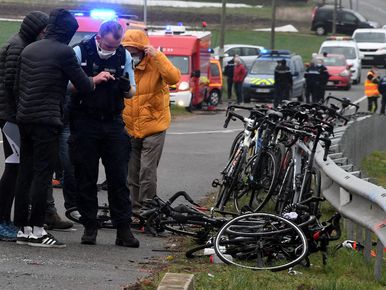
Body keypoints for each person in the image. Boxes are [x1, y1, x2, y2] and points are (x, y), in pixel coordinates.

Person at [14, 8, 111, 248]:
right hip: (47, 120)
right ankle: (38, 230)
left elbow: (16, 84)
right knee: (43, 174)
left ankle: (23, 229)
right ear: (68, 31)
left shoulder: (29, 49)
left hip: (24, 117)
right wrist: (95, 79)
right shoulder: (64, 51)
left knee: (25, 172)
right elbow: (82, 85)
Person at [69, 20, 139, 247]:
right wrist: (92, 80)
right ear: (98, 38)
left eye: (115, 46)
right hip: (85, 121)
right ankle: (90, 226)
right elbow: (65, 84)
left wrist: (124, 86)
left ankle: (123, 229)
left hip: (113, 122)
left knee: (119, 177)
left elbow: (131, 93)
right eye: (108, 46)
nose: (111, 50)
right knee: (86, 176)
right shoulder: (80, 51)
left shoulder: (123, 56)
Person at [0, 11, 49, 241]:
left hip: (12, 115)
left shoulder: (20, 43)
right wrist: (20, 114)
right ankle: (2, 221)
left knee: (15, 168)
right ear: (36, 30)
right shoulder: (19, 47)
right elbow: (12, 84)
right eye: (43, 31)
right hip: (11, 117)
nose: (44, 35)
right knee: (14, 169)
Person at [121, 29, 180, 217]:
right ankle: (135, 209)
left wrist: (158, 55)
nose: (132, 56)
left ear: (143, 50)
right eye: (128, 51)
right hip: (130, 127)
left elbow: (174, 78)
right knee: (133, 173)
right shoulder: (124, 65)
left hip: (154, 126)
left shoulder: (156, 63)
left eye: (135, 51)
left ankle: (148, 207)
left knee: (147, 171)